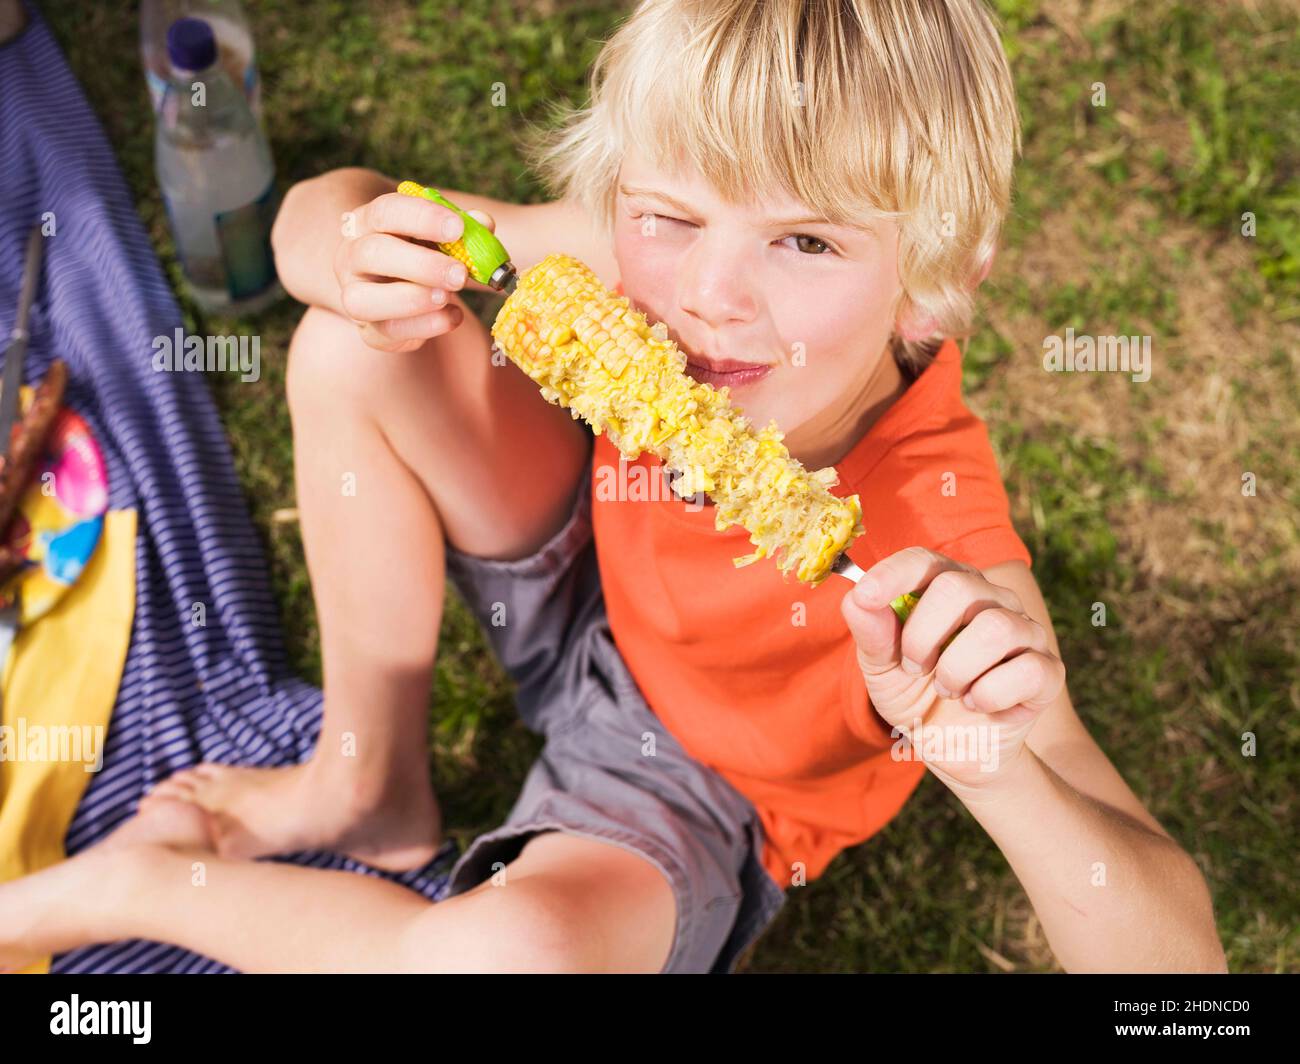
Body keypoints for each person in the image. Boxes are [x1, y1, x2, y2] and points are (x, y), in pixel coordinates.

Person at [0, 0, 1226, 974]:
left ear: (941, 268)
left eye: (805, 240)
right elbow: (368, 209)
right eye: (668, 216)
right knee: (350, 340)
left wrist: (993, 758)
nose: (710, 295)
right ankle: (364, 778)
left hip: (702, 783)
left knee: (507, 957)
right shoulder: (637, 266)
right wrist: (332, 244)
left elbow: (1173, 949)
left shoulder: (937, 536)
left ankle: (137, 884)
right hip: (579, 568)